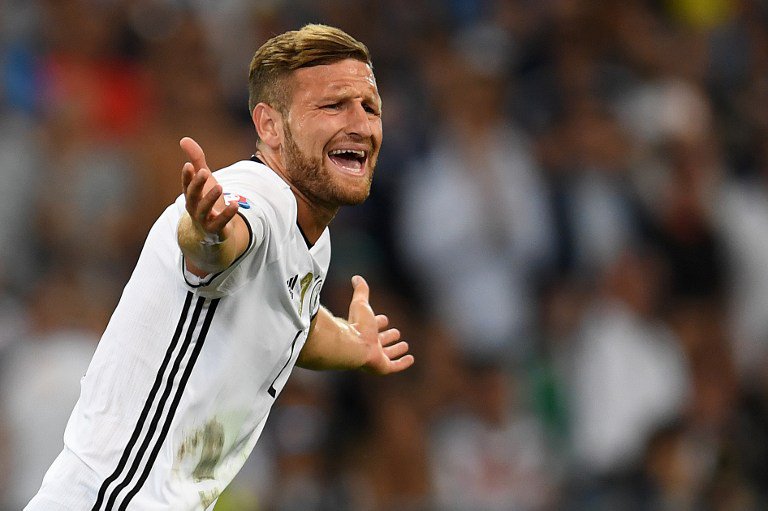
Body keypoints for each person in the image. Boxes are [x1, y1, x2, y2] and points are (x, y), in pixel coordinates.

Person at [26, 24, 414, 511]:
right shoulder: (258, 198)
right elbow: (216, 245)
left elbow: (297, 322)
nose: (361, 123)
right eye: (333, 105)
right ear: (270, 126)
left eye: (370, 107)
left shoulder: (313, 241)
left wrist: (354, 345)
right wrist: (208, 229)